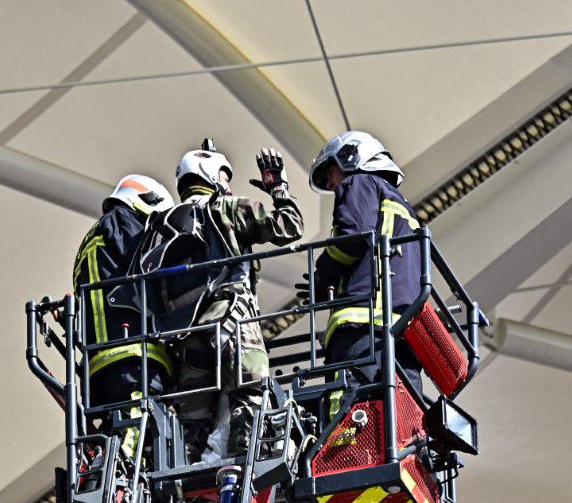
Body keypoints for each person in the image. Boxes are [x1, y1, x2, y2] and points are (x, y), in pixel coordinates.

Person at [149, 142, 304, 455]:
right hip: (231, 319)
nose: (228, 182)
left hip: (184, 339)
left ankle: (190, 474)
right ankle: (245, 447)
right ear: (211, 174)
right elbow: (291, 226)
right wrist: (279, 189)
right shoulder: (225, 208)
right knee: (250, 392)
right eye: (224, 174)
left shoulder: (161, 225)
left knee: (191, 430)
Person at [303, 130, 425, 408]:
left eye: (330, 172)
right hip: (403, 337)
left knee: (348, 417)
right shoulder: (405, 209)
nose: (332, 184)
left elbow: (353, 237)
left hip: (362, 331)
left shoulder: (359, 182)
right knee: (401, 420)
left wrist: (322, 276)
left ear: (351, 157)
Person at [73, 174, 174, 456]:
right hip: (130, 354)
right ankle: (117, 475)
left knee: (119, 427)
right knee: (137, 425)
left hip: (100, 362)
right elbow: (150, 261)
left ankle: (107, 473)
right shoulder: (122, 221)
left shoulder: (89, 242)